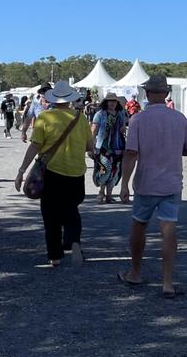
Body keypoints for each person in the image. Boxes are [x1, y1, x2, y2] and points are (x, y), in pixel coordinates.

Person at [118, 75, 187, 296]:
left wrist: (124, 184)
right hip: (171, 183)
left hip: (146, 183)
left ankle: (135, 272)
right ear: (166, 94)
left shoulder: (138, 120)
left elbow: (131, 153)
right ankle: (168, 283)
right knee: (169, 231)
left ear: (147, 93)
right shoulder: (179, 118)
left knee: (138, 226)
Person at [14, 81, 95, 267]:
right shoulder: (80, 118)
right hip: (76, 173)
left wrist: (21, 171)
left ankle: (55, 255)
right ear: (70, 99)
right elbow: (90, 147)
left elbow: (35, 146)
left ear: (53, 99)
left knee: (50, 215)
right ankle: (73, 241)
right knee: (71, 209)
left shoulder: (45, 117)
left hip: (51, 172)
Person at [91, 93, 128, 204]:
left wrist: (122, 130)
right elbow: (93, 131)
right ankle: (101, 193)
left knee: (115, 171)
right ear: (106, 102)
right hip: (103, 147)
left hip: (118, 147)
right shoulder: (100, 114)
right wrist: (91, 146)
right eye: (110, 101)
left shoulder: (120, 114)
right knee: (105, 169)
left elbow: (123, 129)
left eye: (114, 101)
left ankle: (109, 195)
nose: (112, 103)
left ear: (117, 103)